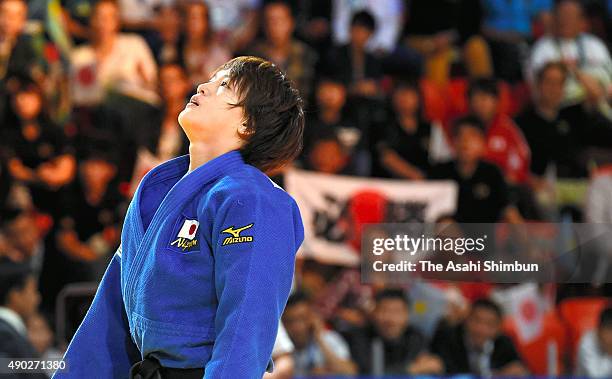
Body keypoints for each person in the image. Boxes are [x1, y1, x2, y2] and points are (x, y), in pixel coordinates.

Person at [55, 56, 305, 379]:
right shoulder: (155, 189)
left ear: (248, 125)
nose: (203, 86)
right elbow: (109, 315)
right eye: (211, 81)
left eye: (224, 86)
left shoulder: (252, 198)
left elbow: (246, 325)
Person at [429, 116, 519, 223]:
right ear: (452, 142)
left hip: (484, 237)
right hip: (449, 237)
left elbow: (509, 210)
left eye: (472, 136)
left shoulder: (492, 173)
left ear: (483, 143)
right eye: (460, 136)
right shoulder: (440, 172)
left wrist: (526, 239)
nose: (465, 142)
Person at [70, 0, 159, 107]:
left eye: (108, 18)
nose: (103, 23)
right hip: (97, 112)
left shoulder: (134, 44)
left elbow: (151, 84)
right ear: (91, 20)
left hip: (136, 109)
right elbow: (79, 96)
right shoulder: (80, 56)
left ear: (117, 21)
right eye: (99, 17)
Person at [528, 0, 612, 110]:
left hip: (598, 107)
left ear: (582, 21)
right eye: (562, 15)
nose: (565, 20)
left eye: (571, 16)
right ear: (554, 18)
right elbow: (537, 92)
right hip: (560, 109)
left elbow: (609, 83)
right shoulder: (542, 48)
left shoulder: (595, 45)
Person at [346, 288, 444, 376]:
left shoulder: (416, 337)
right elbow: (366, 373)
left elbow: (433, 365)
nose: (391, 319)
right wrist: (412, 369)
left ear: (407, 315)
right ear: (374, 313)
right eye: (384, 310)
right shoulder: (359, 337)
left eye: (397, 312)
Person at [431, 298, 527, 376]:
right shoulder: (448, 337)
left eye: (489, 324)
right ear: (466, 319)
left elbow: (519, 368)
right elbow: (439, 366)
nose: (481, 329)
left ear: (499, 328)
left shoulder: (504, 342)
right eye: (477, 320)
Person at [376, 80, 451, 179]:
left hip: (427, 186)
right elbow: (386, 157)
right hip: (392, 184)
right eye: (400, 93)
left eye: (409, 94)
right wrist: (415, 176)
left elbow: (443, 159)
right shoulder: (382, 125)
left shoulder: (431, 127)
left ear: (419, 98)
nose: (404, 98)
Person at [247, 1, 317, 103]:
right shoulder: (252, 56)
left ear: (291, 23)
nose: (274, 26)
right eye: (269, 21)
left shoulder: (306, 55)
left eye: (280, 20)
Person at [468, 77, 531, 185]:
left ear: (496, 101)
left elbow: (522, 159)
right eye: (475, 99)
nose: (480, 105)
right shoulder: (464, 128)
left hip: (503, 187)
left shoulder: (507, 128)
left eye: (484, 98)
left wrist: (510, 179)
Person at [282, 291, 356, 376]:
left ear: (312, 317)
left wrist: (319, 339)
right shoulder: (278, 345)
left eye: (302, 318)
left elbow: (350, 372)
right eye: (290, 321)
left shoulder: (330, 339)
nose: (297, 327)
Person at [0, 259, 46, 379]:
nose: (37, 298)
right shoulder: (5, 335)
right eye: (33, 291)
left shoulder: (10, 332)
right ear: (15, 295)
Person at [180, 1, 230, 88]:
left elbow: (227, 83)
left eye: (198, 18)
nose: (193, 24)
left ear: (207, 22)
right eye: (190, 18)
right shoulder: (176, 50)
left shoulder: (219, 53)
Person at [575, 306, 612, 377]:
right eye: (609, 331)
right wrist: (610, 355)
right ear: (599, 330)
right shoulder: (587, 342)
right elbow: (595, 374)